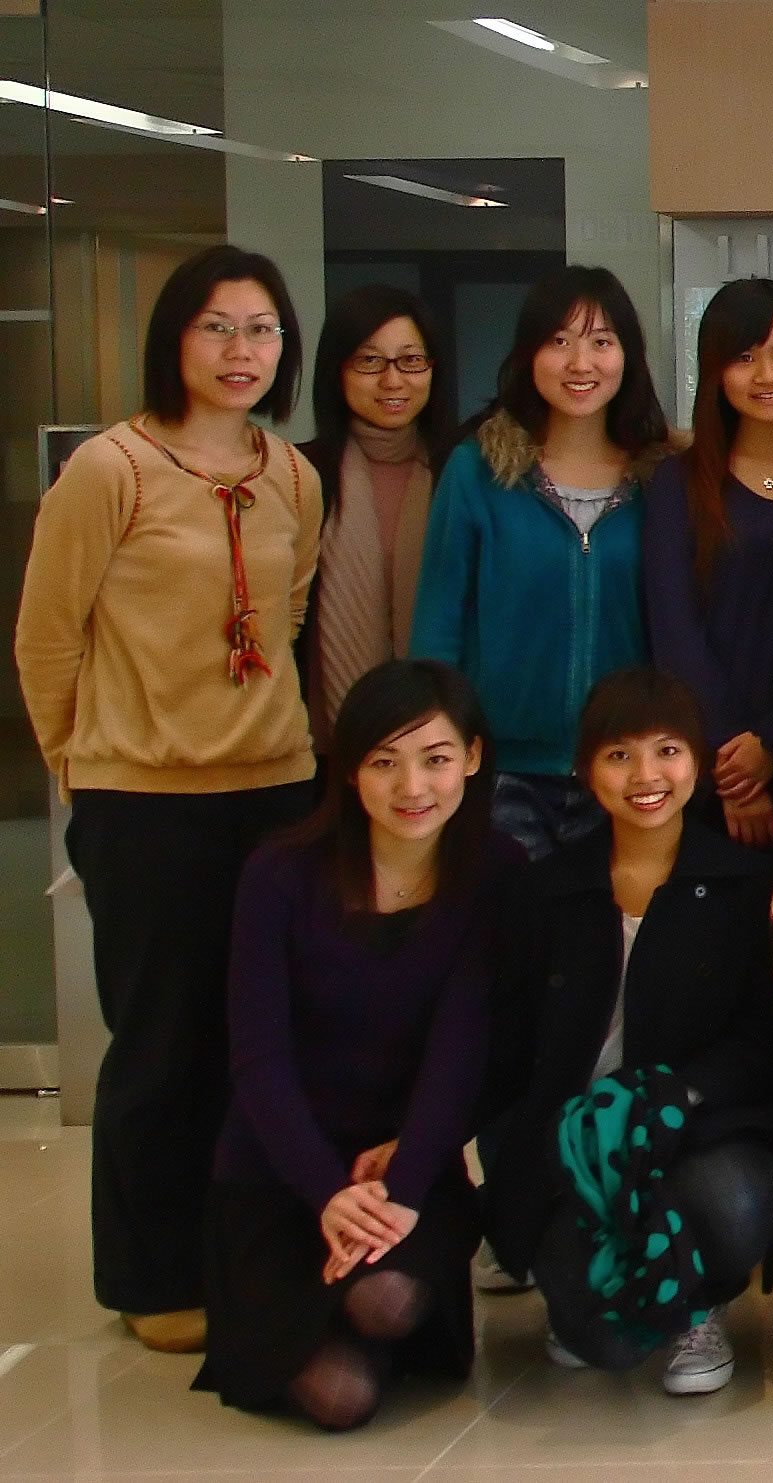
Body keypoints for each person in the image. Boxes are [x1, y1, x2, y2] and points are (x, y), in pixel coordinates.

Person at [16, 244, 323, 1352]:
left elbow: (283, 622)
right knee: (162, 1038)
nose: (242, 353)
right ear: (175, 341)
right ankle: (152, 1274)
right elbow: (47, 636)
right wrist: (80, 760)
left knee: (267, 1032)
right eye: (218, 328)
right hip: (143, 799)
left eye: (263, 331)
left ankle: (252, 1243)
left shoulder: (290, 473)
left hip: (276, 786)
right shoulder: (110, 469)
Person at [196, 660, 509, 1429]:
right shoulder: (280, 874)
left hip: (407, 1162)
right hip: (280, 1168)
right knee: (341, 1400)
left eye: (435, 758)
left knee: (384, 1295)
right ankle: (315, 1324)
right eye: (383, 762)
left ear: (471, 756)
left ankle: (362, 1311)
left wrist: (402, 1184)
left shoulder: (496, 872)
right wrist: (328, 1194)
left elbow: (462, 1049)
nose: (413, 787)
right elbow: (257, 1059)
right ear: (348, 769)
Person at [477, 668, 773, 1395]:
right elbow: (505, 1043)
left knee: (734, 1207)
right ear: (585, 770)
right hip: (570, 1140)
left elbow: (762, 1041)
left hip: (693, 1127)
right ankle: (579, 1287)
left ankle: (697, 1305)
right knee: (606, 1346)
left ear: (698, 762)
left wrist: (676, 1091)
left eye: (667, 750)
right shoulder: (544, 889)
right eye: (619, 755)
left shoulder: (742, 885)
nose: (646, 775)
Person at [411, 264, 674, 859]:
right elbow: (438, 623)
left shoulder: (661, 479)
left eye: (602, 342)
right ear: (529, 354)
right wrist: (438, 752)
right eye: (559, 341)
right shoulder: (478, 471)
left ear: (627, 356)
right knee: (513, 939)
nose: (581, 363)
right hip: (504, 767)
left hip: (631, 767)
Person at [647, 278, 773, 849]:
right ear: (714, 373)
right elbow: (674, 631)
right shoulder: (676, 484)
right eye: (744, 358)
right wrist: (734, 764)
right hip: (707, 765)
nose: (767, 376)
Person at [299, 284, 455, 747]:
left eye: (410, 361)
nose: (393, 381)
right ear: (337, 370)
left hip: (444, 739)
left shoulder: (463, 472)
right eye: (370, 362)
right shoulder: (301, 474)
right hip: (321, 745)